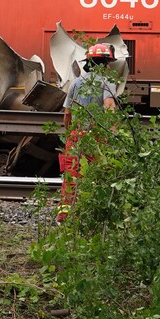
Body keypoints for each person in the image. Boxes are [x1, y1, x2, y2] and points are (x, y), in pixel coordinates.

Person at [57, 42, 118, 223]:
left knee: (72, 176)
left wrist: (70, 135)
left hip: (76, 136)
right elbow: (110, 111)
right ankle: (92, 216)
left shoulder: (76, 83)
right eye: (109, 63)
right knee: (97, 175)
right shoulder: (107, 83)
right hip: (97, 136)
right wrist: (113, 136)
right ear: (105, 64)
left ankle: (65, 218)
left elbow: (67, 115)